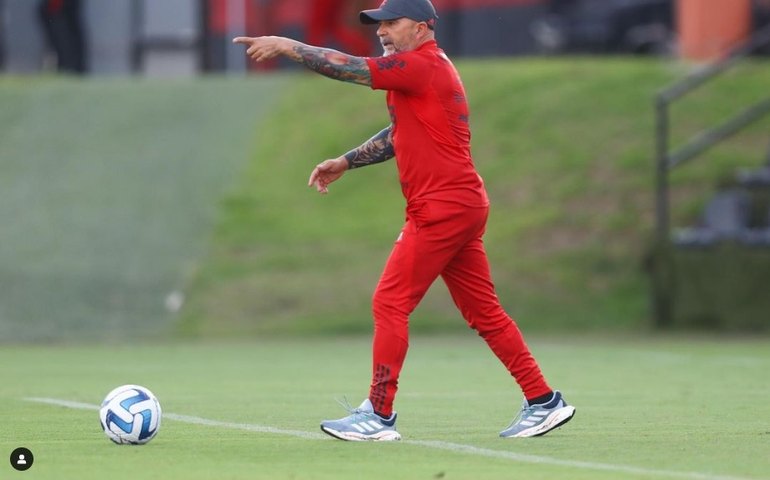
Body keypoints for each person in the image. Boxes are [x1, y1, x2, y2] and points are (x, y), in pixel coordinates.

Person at [233, 0, 575, 441]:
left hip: (442, 207)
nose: (382, 31)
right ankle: (544, 400)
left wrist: (288, 44)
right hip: (460, 203)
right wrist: (347, 160)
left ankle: (378, 415)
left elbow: (349, 68)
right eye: (379, 24)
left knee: (389, 301)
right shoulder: (423, 68)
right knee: (484, 312)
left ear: (423, 26)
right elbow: (401, 132)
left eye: (392, 23)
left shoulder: (421, 65)